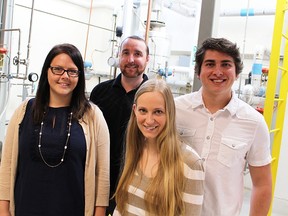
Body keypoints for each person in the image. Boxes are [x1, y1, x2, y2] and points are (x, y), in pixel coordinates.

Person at [0, 43, 110, 216]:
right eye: (58, 69)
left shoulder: (93, 116)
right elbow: (6, 166)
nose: (64, 76)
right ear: (47, 71)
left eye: (72, 71)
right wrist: (4, 211)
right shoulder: (23, 111)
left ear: (79, 76)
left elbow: (102, 175)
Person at [175, 37, 272, 216]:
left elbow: (262, 184)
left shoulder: (254, 122)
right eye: (210, 64)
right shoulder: (174, 110)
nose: (218, 72)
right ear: (198, 71)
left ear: (236, 73)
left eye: (226, 65)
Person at [113, 78, 204, 216]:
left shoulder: (190, 163)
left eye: (158, 112)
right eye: (143, 110)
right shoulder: (135, 150)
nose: (149, 120)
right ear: (134, 110)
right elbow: (121, 208)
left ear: (170, 113)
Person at [89, 35, 149, 215]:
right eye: (126, 53)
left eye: (137, 54)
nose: (131, 59)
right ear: (118, 56)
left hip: (139, 184)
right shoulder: (100, 92)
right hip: (101, 182)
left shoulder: (155, 96)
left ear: (147, 59)